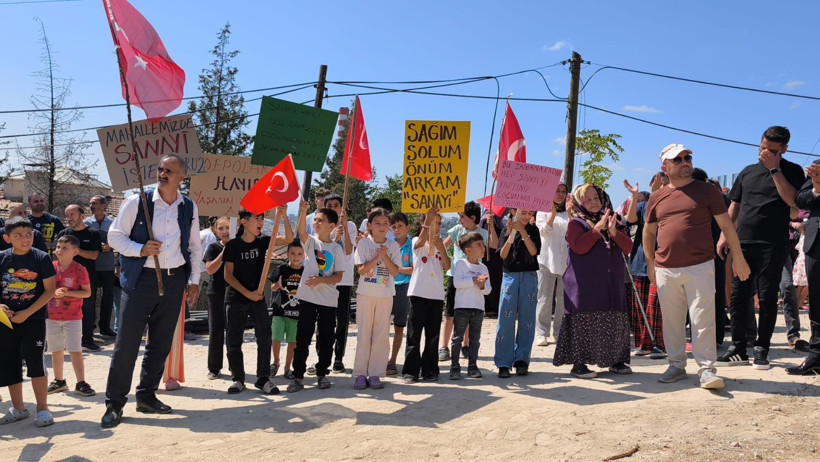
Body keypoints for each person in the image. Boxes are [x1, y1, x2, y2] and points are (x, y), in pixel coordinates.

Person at [101, 154, 203, 429]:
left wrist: (193, 281)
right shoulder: (138, 202)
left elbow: (194, 247)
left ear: (182, 177)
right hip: (141, 281)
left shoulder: (188, 207)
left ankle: (146, 395)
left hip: (173, 281)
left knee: (160, 344)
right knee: (127, 344)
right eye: (160, 169)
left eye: (169, 170)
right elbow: (114, 236)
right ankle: (115, 403)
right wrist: (140, 249)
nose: (162, 174)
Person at [644, 145, 750, 389]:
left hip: (700, 265)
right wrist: (651, 264)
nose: (685, 162)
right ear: (665, 168)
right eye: (678, 159)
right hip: (665, 268)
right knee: (672, 320)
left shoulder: (707, 191)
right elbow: (648, 233)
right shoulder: (657, 197)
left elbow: (727, 226)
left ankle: (706, 369)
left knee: (703, 319)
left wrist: (739, 257)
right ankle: (677, 365)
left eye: (687, 157)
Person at [717, 126, 805, 370]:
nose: (764, 153)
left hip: (773, 244)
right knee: (738, 296)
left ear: (784, 150)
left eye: (772, 150)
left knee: (767, 297)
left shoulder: (792, 171)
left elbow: (791, 201)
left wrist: (774, 169)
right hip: (742, 243)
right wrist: (726, 235)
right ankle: (737, 348)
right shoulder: (747, 172)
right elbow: (734, 204)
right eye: (762, 147)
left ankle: (762, 349)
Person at [553, 185, 632, 379]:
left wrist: (614, 232)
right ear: (580, 203)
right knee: (584, 320)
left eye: (596, 198)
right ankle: (578, 364)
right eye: (588, 200)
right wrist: (596, 230)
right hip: (584, 284)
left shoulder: (615, 221)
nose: (594, 202)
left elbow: (628, 247)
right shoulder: (576, 224)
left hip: (611, 282)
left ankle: (615, 360)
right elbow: (579, 247)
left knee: (613, 318)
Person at [222, 206, 291, 395]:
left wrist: (283, 214)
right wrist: (247, 293)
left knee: (264, 336)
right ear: (244, 221)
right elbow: (228, 276)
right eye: (256, 218)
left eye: (262, 218)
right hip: (236, 298)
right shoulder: (233, 245)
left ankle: (263, 378)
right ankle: (238, 378)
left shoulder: (264, 242)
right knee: (234, 339)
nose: (260, 222)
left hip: (258, 298)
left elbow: (289, 239)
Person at [0, 216, 57, 427]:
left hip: (34, 320)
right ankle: (18, 408)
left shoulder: (41, 258)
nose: (25, 239)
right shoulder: (2, 258)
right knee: (9, 362)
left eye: (28, 235)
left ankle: (43, 408)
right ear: (7, 238)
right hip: (6, 321)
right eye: (18, 236)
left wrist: (27, 313)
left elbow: (50, 291)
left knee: (36, 361)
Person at [287, 200, 345, 393]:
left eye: (321, 220)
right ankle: (298, 376)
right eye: (316, 219)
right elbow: (301, 231)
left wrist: (320, 281)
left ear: (332, 226)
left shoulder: (337, 249)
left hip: (328, 301)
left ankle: (322, 373)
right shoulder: (311, 241)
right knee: (302, 337)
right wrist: (303, 211)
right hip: (307, 299)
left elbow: (338, 276)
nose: (316, 223)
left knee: (327, 338)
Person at [352, 208, 401, 390]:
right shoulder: (364, 244)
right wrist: (376, 259)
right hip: (365, 294)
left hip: (385, 295)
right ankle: (359, 374)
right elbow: (361, 270)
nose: (382, 227)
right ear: (370, 225)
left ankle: (375, 373)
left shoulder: (393, 245)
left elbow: (395, 271)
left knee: (381, 336)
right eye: (378, 223)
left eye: (385, 224)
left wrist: (385, 257)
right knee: (364, 335)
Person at [402, 208, 450, 383]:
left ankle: (430, 370)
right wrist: (427, 223)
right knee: (414, 335)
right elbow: (418, 243)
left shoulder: (440, 244)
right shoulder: (417, 240)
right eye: (434, 222)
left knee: (433, 335)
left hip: (436, 295)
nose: (437, 227)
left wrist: (441, 249)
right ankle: (410, 371)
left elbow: (446, 266)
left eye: (439, 223)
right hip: (418, 293)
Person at [45, 235, 95, 397]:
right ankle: (59, 380)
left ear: (75, 251)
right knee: (56, 349)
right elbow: (44, 290)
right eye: (58, 247)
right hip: (51, 316)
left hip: (73, 316)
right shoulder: (49, 267)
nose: (59, 250)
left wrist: (68, 294)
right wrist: (54, 292)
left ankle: (81, 382)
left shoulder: (80, 269)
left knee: (75, 349)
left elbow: (87, 292)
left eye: (64, 248)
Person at [494, 208, 541, 378]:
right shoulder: (506, 230)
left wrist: (523, 232)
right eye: (524, 213)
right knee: (505, 319)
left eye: (530, 213)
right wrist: (512, 234)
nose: (527, 216)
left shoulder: (534, 230)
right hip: (510, 276)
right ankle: (503, 362)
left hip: (529, 276)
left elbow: (534, 252)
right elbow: (503, 254)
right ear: (515, 212)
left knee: (527, 319)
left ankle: (522, 360)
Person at [624, 177, 666, 358]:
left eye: (665, 184)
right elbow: (630, 220)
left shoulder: (670, 205)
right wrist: (635, 197)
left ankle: (660, 345)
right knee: (640, 308)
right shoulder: (644, 206)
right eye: (659, 185)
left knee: (655, 307)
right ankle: (644, 344)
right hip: (640, 262)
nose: (662, 187)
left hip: (662, 262)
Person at [440, 201, 487, 362]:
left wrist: (493, 225)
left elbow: (491, 245)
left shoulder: (482, 233)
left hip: (474, 276)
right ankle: (444, 346)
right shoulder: (456, 230)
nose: (459, 219)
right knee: (450, 314)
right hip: (455, 275)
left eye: (462, 216)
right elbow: (444, 245)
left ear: (473, 218)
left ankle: (465, 346)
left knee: (467, 313)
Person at [57, 204, 102, 352]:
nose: (69, 218)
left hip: (87, 278)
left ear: (82, 216)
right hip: (64, 279)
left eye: (72, 214)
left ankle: (87, 340)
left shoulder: (93, 233)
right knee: (63, 308)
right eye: (67, 215)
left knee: (88, 310)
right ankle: (63, 341)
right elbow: (57, 253)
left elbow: (94, 255)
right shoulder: (63, 233)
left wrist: (74, 251)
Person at [789, 163, 820, 374]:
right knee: (817, 300)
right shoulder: (817, 168)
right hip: (817, 243)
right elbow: (800, 200)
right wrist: (817, 187)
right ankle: (817, 356)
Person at [449, 232, 491, 380]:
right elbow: (457, 283)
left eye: (482, 244)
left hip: (478, 308)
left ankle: (472, 365)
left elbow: (488, 290)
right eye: (478, 245)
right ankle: (454, 367)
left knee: (475, 338)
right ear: (468, 250)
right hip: (462, 307)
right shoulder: (461, 264)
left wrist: (481, 285)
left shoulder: (483, 267)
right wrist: (474, 279)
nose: (483, 247)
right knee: (457, 338)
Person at [321, 194, 355, 373]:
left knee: (342, 320)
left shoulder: (350, 226)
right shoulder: (322, 226)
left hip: (344, 280)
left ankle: (339, 357)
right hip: (326, 279)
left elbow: (349, 251)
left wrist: (345, 231)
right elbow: (323, 253)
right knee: (325, 320)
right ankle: (322, 356)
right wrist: (334, 238)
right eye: (330, 205)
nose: (333, 207)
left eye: (336, 205)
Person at [535, 183, 569, 346]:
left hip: (566, 260)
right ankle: (541, 333)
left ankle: (559, 332)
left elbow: (574, 232)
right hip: (546, 259)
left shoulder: (569, 212)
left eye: (563, 191)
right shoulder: (542, 211)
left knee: (563, 299)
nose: (560, 194)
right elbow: (544, 231)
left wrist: (569, 213)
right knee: (544, 297)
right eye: (557, 191)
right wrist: (553, 214)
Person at [269, 240, 304, 380]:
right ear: (288, 254)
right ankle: (275, 362)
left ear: (304, 255)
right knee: (276, 338)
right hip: (279, 311)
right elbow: (272, 287)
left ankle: (287, 368)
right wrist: (277, 285)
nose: (296, 256)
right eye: (293, 253)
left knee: (292, 342)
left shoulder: (305, 272)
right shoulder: (281, 269)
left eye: (299, 253)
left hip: (296, 314)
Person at [203, 216, 231, 380]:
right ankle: (214, 367)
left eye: (227, 227)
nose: (225, 231)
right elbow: (210, 269)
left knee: (234, 331)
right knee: (216, 331)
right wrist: (224, 253)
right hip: (216, 293)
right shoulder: (213, 247)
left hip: (234, 292)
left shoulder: (238, 246)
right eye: (220, 228)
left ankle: (235, 366)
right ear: (215, 231)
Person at [86, 195, 117, 338]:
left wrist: (111, 247)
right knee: (89, 297)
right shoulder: (86, 223)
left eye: (94, 203)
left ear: (103, 206)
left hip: (108, 266)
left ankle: (105, 327)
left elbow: (120, 240)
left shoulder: (113, 223)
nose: (91, 206)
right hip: (90, 266)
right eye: (90, 203)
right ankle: (89, 325)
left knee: (108, 296)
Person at [387, 212, 413, 376]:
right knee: (382, 327)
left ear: (407, 227)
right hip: (387, 287)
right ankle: (380, 358)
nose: (396, 230)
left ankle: (392, 360)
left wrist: (395, 269)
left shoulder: (412, 245)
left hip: (403, 288)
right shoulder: (389, 244)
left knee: (399, 327)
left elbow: (412, 269)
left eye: (400, 226)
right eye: (394, 227)